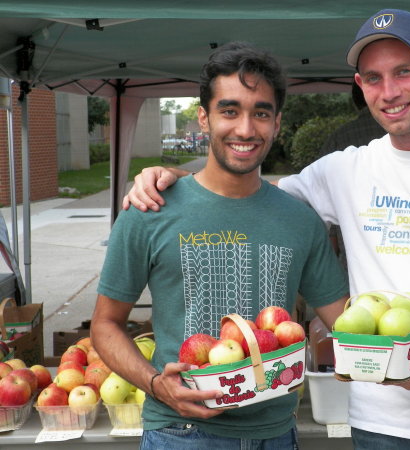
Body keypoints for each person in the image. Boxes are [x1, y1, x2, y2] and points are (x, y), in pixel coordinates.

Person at [123, 9, 410, 449]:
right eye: (373, 77)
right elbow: (241, 188)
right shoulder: (343, 171)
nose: (389, 91)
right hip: (380, 418)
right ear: (360, 85)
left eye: (403, 72)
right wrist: (170, 177)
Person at [90, 41, 349, 449]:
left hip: (276, 434)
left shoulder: (300, 220)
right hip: (180, 433)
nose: (245, 129)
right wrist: (157, 385)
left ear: (277, 123)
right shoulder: (149, 209)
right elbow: (105, 325)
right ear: (204, 118)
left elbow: (346, 324)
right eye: (229, 111)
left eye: (260, 113)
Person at [319, 81, 385, 271]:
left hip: (353, 259)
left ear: (356, 101)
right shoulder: (408, 133)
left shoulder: (339, 138)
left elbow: (323, 198)